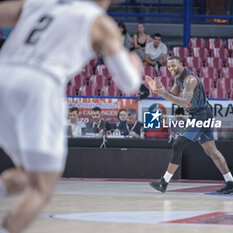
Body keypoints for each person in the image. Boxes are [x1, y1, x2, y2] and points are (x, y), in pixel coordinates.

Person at [0, 1, 142, 232]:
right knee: (42, 187)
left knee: (27, 174)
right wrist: (135, 65)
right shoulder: (99, 22)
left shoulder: (40, 3)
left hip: (3, 74)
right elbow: (128, 83)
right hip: (39, 83)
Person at [145, 56, 233, 194]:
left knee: (178, 143)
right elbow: (172, 95)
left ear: (181, 64)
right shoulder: (179, 78)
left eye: (174, 66)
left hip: (201, 115)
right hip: (199, 113)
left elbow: (183, 102)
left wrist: (163, 94)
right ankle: (231, 183)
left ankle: (163, 182)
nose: (171, 69)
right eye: (169, 66)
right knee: (211, 151)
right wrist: (158, 91)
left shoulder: (190, 79)